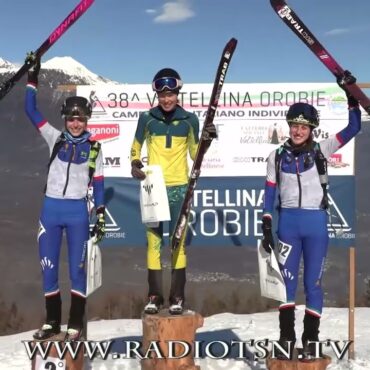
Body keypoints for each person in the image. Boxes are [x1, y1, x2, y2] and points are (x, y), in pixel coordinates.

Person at [261, 71, 361, 360]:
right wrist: (267, 222)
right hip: (288, 224)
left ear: (312, 129)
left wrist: (350, 96)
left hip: (316, 223)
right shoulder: (276, 156)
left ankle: (310, 340)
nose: (298, 131)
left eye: (303, 127)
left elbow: (354, 127)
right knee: (287, 284)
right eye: (294, 126)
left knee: (313, 285)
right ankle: (286, 339)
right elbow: (269, 193)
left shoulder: (322, 149)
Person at [24, 54, 106, 341]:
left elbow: (98, 183)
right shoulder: (54, 138)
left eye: (80, 119)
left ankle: (75, 322)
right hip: (51, 211)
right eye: (71, 118)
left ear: (86, 120)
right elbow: (30, 109)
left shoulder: (95, 148)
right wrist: (33, 78)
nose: (75, 123)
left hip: (77, 215)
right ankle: (52, 321)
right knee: (48, 269)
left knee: (77, 271)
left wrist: (100, 213)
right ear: (65, 119)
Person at [130, 68, 216, 315]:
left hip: (180, 187)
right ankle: (154, 296)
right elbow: (135, 148)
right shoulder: (147, 118)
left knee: (177, 244)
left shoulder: (190, 120)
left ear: (178, 93)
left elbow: (194, 154)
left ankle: (177, 297)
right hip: (154, 186)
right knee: (153, 243)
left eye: (171, 94)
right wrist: (135, 163)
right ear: (156, 94)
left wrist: (206, 142)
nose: (166, 99)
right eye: (162, 95)